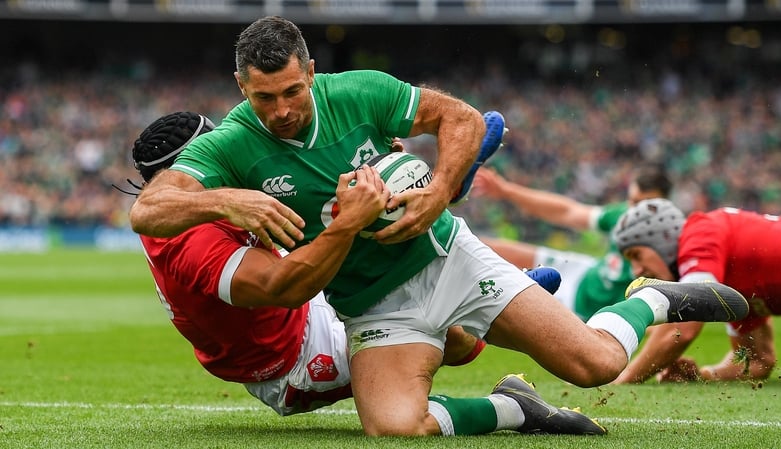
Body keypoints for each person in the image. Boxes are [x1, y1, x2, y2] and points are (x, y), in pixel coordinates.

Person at [129, 16, 749, 437]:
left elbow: (461, 118)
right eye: (266, 98)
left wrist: (441, 193)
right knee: (394, 430)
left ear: (312, 71)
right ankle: (514, 407)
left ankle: (651, 300)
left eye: (293, 90)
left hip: (449, 258)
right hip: (373, 308)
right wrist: (228, 201)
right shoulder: (232, 144)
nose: (283, 109)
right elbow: (148, 210)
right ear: (241, 88)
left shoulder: (358, 92)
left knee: (594, 365)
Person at [129, 111, 570, 415]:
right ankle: (513, 405)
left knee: (360, 226)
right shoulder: (188, 241)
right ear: (182, 174)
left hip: (294, 309)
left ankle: (444, 194)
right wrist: (353, 215)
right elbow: (285, 283)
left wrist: (375, 164)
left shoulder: (203, 207)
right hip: (291, 359)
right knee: (450, 342)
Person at [611, 198, 781, 383]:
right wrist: (705, 375)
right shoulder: (733, 278)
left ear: (663, 240)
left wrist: (625, 377)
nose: (637, 270)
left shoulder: (699, 235)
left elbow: (683, 328)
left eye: (637, 255)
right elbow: (757, 362)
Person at [471, 163, 672, 321]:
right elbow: (567, 211)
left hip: (586, 312)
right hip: (583, 272)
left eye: (645, 204)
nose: (635, 210)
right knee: (481, 248)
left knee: (497, 309)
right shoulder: (623, 215)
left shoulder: (671, 241)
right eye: (633, 202)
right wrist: (506, 190)